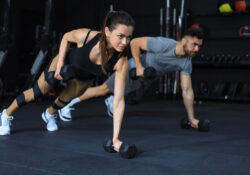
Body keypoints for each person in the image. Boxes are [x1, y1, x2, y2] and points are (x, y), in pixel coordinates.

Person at [0, 11, 135, 151]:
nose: (125, 42)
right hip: (66, 63)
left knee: (65, 99)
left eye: (129, 37)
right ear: (107, 31)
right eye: (120, 36)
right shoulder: (87, 36)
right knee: (40, 91)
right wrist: (59, 66)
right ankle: (6, 114)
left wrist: (116, 138)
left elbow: (118, 100)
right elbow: (66, 37)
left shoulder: (121, 61)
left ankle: (49, 114)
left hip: (85, 77)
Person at [58, 27, 204, 129]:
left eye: (199, 46)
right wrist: (139, 67)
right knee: (102, 89)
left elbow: (187, 90)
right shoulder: (164, 44)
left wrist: (191, 118)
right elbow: (134, 43)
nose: (197, 49)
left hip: (146, 77)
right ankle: (66, 103)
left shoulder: (186, 62)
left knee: (127, 95)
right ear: (184, 41)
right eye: (194, 45)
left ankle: (110, 101)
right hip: (134, 68)